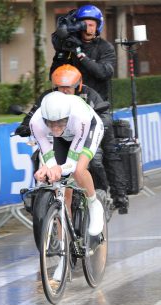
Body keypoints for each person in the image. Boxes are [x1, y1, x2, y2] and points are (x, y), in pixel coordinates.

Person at [15, 64, 130, 213]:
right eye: (59, 87)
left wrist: (105, 121)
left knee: (90, 163)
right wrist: (25, 126)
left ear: (78, 85)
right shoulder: (48, 97)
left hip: (85, 131)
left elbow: (104, 114)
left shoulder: (88, 94)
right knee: (44, 161)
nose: (64, 91)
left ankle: (102, 192)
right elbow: (34, 113)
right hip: (61, 134)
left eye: (68, 87)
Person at [29, 91, 105, 236]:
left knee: (78, 170)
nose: (55, 128)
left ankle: (94, 203)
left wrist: (56, 169)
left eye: (60, 122)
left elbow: (72, 163)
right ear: (44, 119)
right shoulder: (35, 122)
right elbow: (47, 153)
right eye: (50, 124)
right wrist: (49, 169)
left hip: (88, 131)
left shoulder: (80, 117)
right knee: (61, 189)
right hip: (65, 137)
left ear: (67, 117)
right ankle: (64, 241)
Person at [50, 4, 116, 101]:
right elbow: (54, 75)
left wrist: (81, 56)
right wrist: (62, 51)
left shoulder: (105, 47)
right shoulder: (69, 46)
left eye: (91, 25)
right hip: (70, 102)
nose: (87, 29)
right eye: (83, 25)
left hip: (96, 103)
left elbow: (104, 73)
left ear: (98, 26)